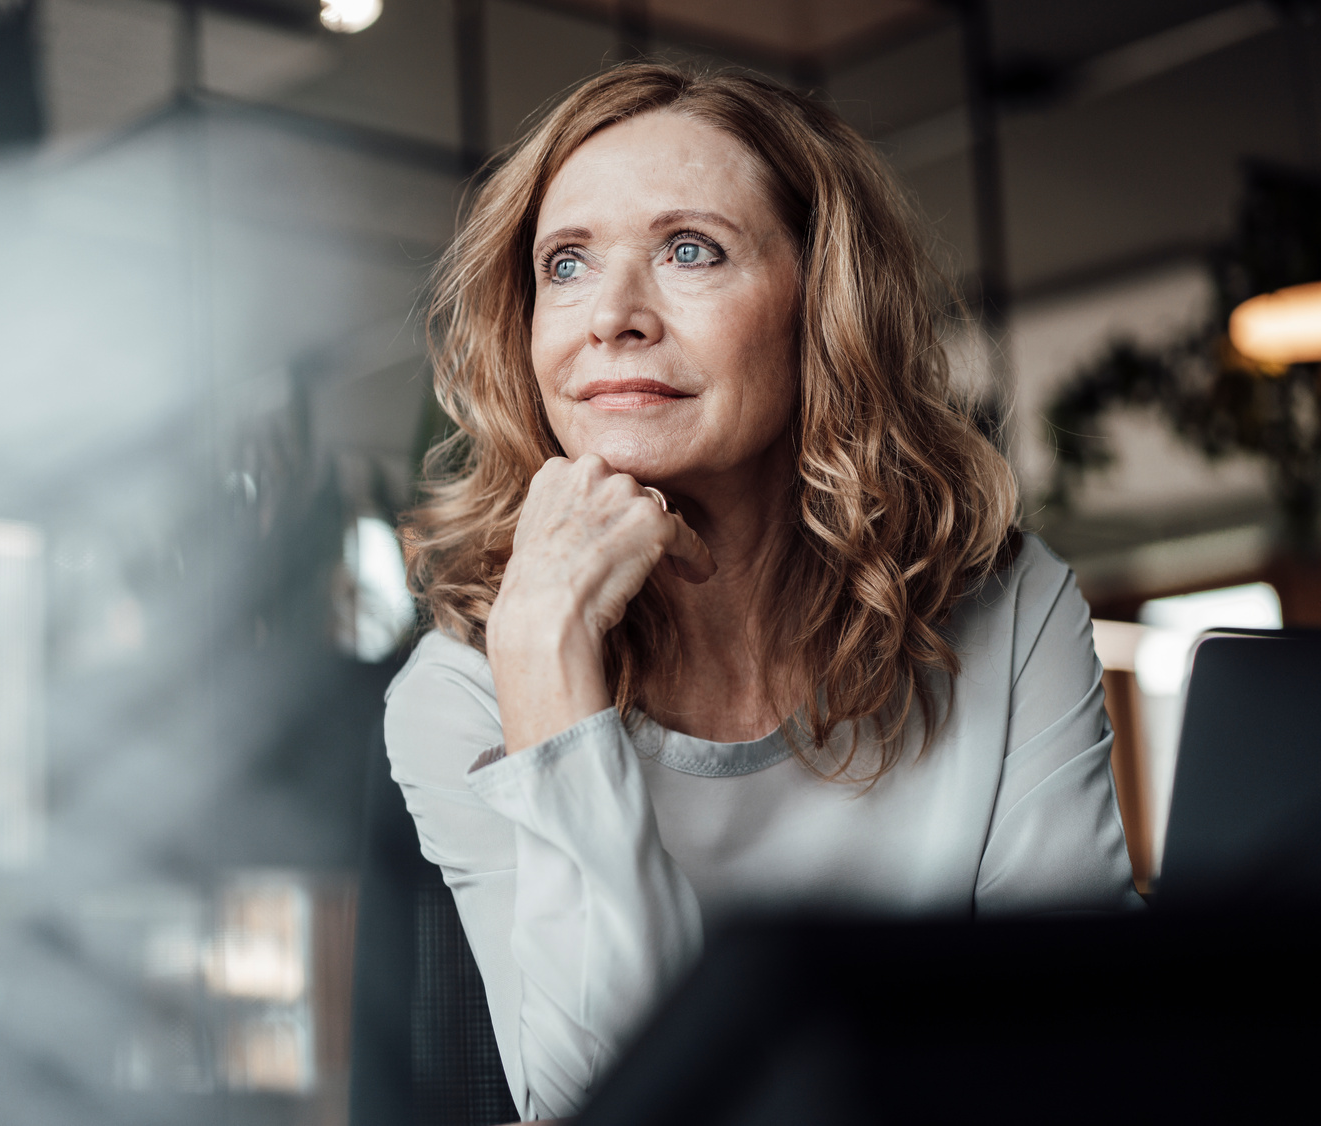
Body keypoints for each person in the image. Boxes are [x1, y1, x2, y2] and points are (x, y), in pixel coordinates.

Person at [385, 64, 1140, 1121]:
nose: (609, 316)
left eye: (689, 249)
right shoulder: (468, 684)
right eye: (565, 264)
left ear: (820, 303)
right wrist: (550, 675)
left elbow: (1082, 1044)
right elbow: (610, 1102)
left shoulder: (1008, 606)